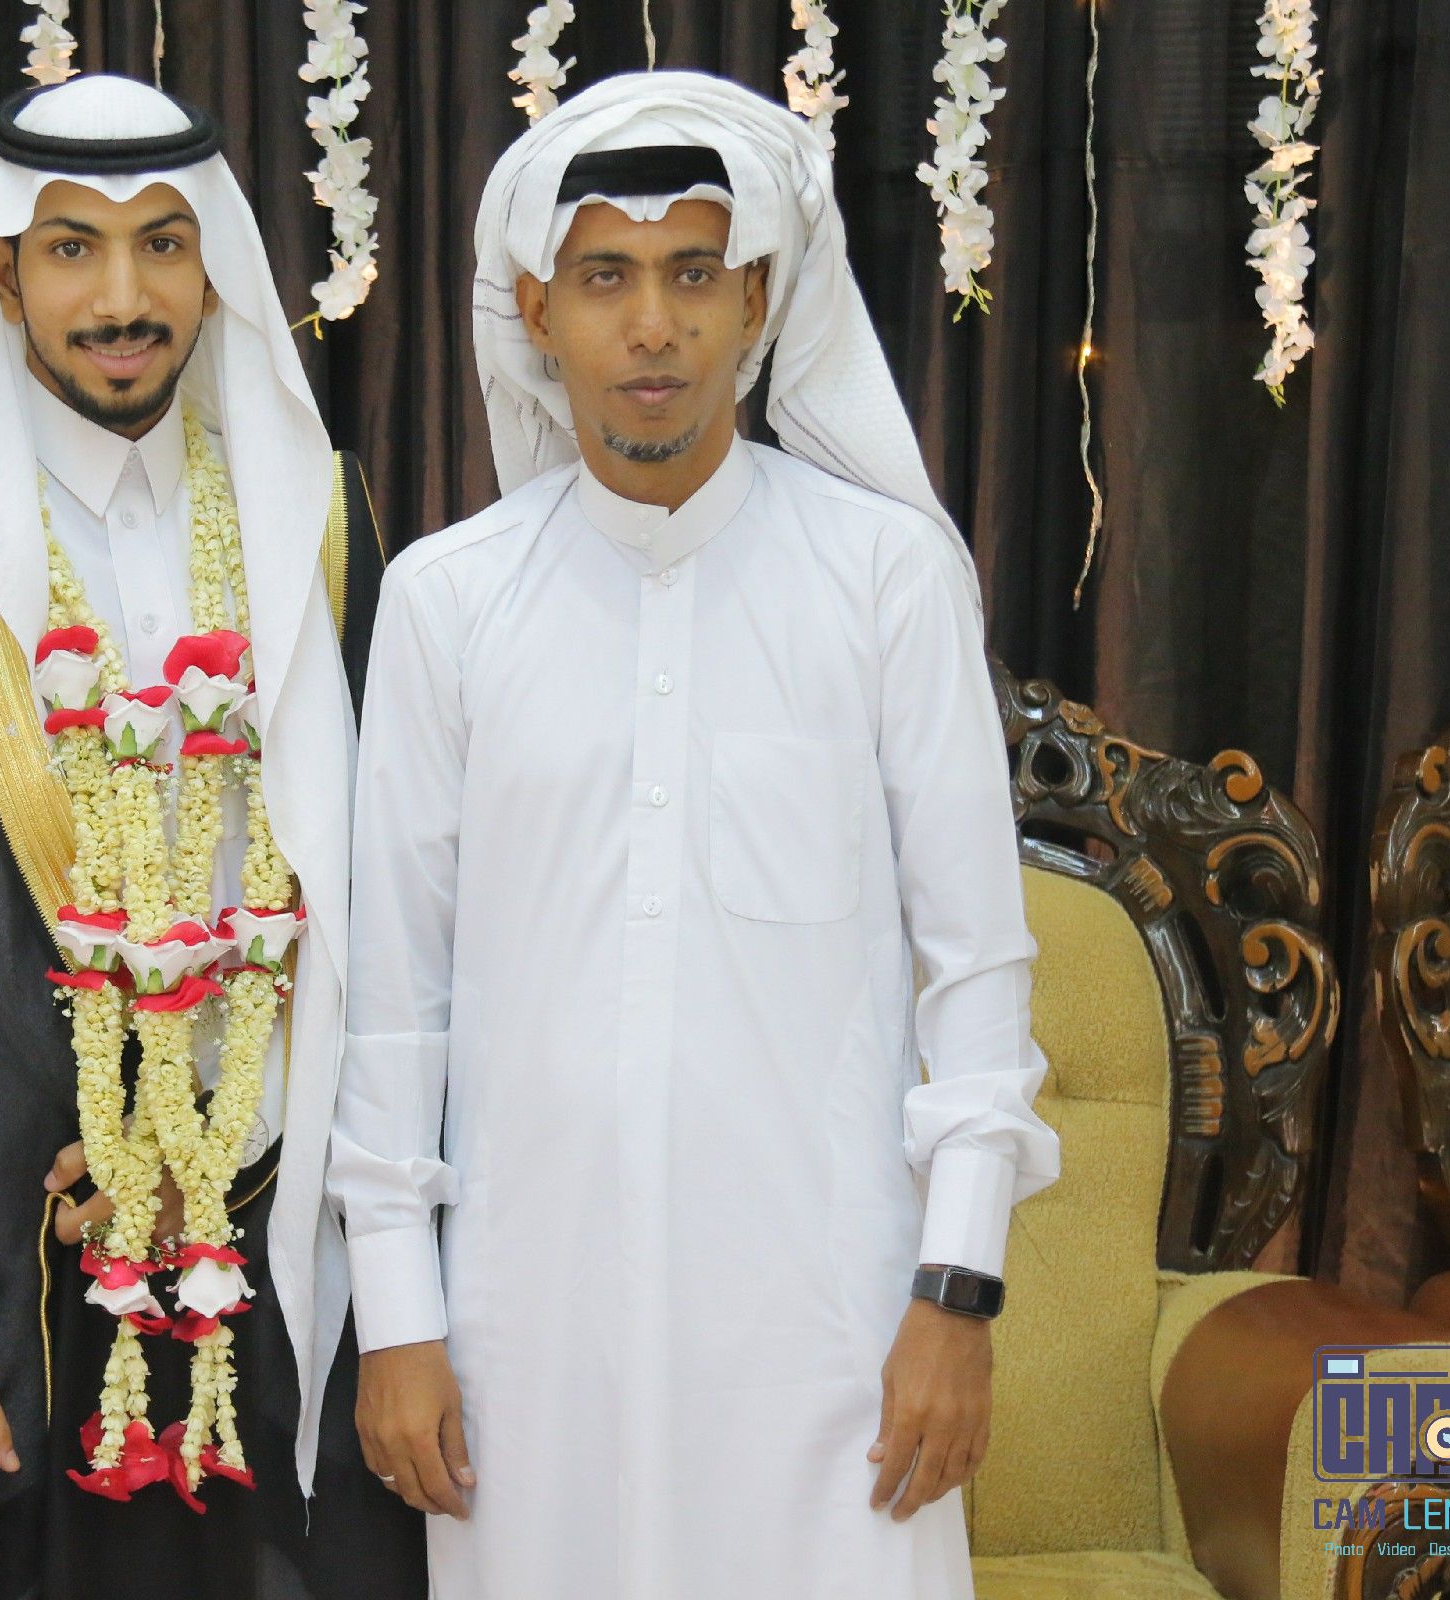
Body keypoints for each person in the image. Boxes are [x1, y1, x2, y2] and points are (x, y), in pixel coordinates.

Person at [328, 71, 1064, 1598]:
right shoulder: (449, 603)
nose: (651, 326)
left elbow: (977, 973)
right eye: (606, 277)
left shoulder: (887, 580)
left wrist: (958, 1294)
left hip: (831, 1338)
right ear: (539, 310)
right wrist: (397, 1316)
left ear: (757, 303)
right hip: (527, 1347)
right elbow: (395, 1000)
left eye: (691, 275)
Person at [0, 73, 423, 1600]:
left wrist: (233, 1135)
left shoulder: (323, 527)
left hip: (277, 1226)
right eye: (71, 249)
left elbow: (392, 897)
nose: (122, 298)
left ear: (212, 270)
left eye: (163, 244)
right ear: (4, 276)